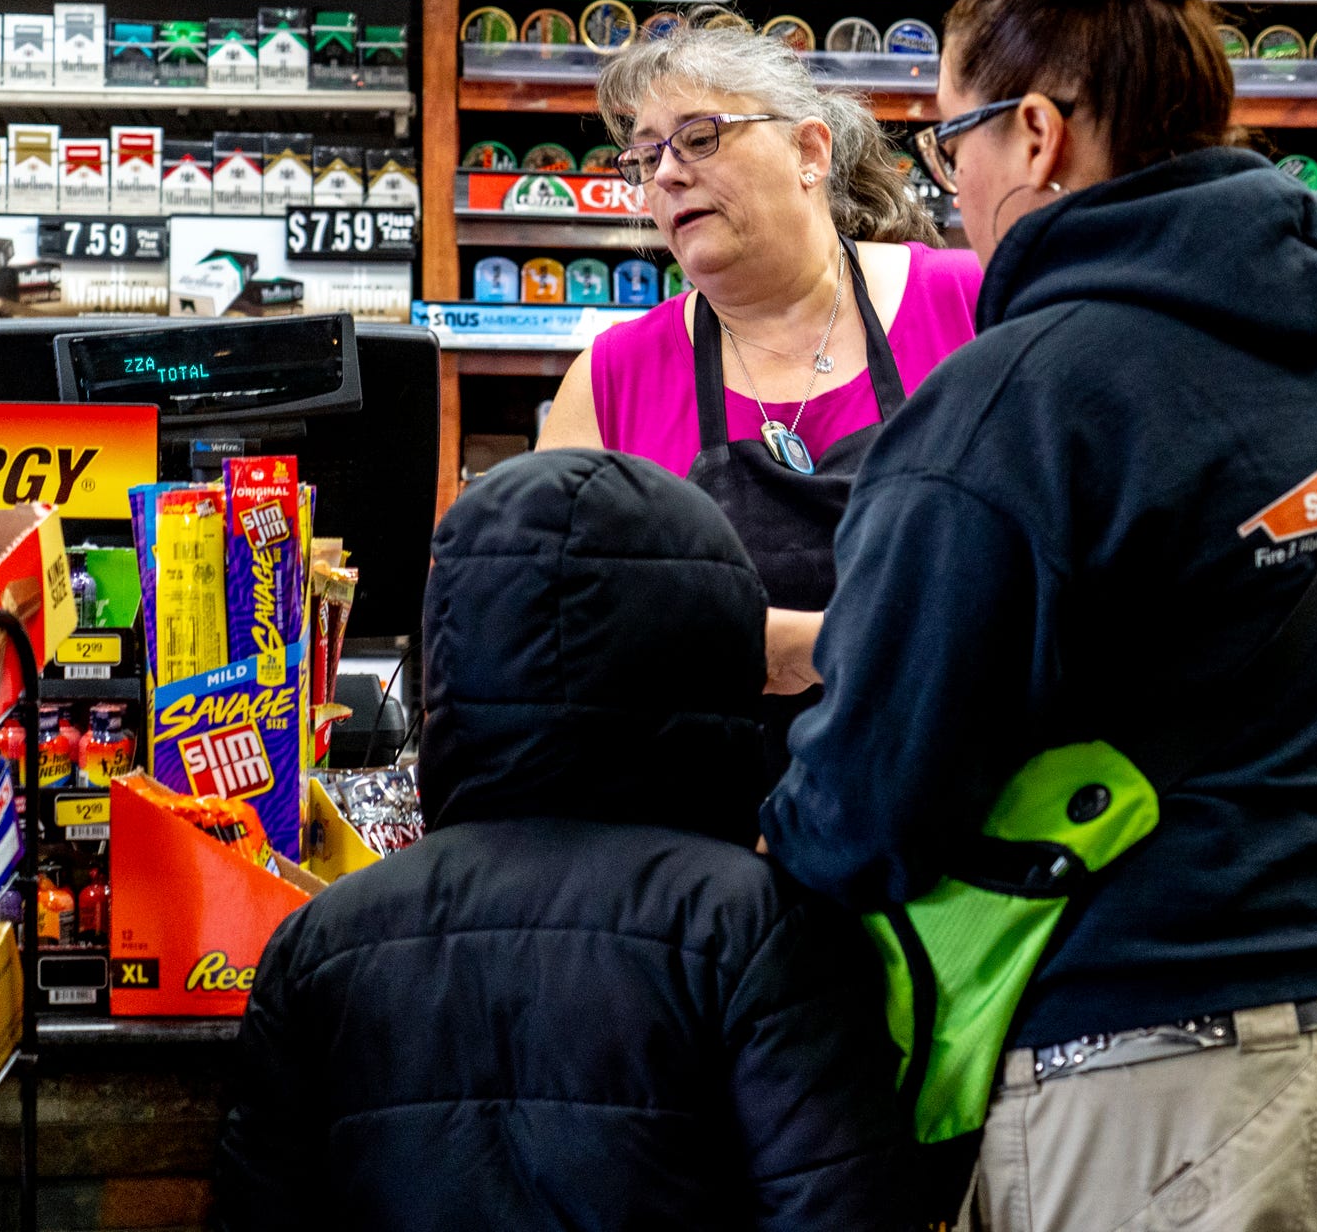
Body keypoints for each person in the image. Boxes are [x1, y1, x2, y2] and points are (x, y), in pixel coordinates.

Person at [762, 0, 1317, 1226]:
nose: (949, 189)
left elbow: (867, 809)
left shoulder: (1020, 398)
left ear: (1036, 135)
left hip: (1171, 1079)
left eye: (949, 143)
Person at [215, 450, 915, 1232]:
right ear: (709, 646)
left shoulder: (322, 944)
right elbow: (840, 1208)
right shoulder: (761, 928)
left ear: (454, 644)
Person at [540, 15, 982, 697]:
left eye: (698, 138)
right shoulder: (610, 379)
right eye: (645, 156)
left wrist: (814, 646)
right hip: (703, 793)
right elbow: (540, 624)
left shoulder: (968, 305)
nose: (666, 174)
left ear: (809, 151)